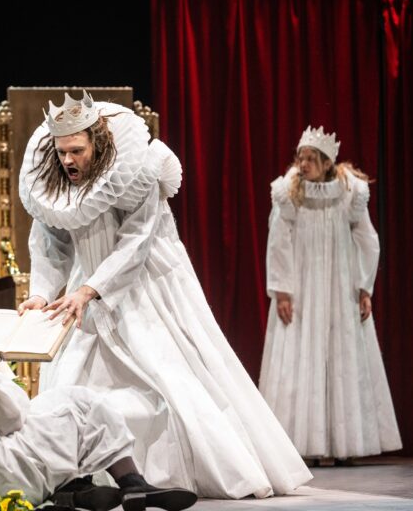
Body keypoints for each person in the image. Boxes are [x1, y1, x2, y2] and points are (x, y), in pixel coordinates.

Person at [18, 91, 311, 498]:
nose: (68, 160)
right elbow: (51, 241)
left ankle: (163, 473)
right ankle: (91, 475)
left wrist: (91, 289)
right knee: (72, 375)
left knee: (163, 368)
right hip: (90, 286)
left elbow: (136, 241)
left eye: (76, 151)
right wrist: (41, 292)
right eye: (62, 151)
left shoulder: (136, 169)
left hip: (145, 283)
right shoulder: (55, 181)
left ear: (97, 141)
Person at [0, 274, 198, 511]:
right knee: (77, 402)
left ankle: (73, 491)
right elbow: (15, 415)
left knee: (58, 411)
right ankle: (132, 483)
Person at [259, 126, 402, 464]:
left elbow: (367, 239)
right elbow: (278, 242)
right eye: (301, 157)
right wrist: (282, 291)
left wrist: (364, 286)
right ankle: (301, 444)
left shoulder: (350, 192)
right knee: (301, 355)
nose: (304, 164)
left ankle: (342, 445)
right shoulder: (288, 193)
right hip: (303, 288)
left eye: (311, 159)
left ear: (326, 163)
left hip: (339, 286)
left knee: (341, 357)